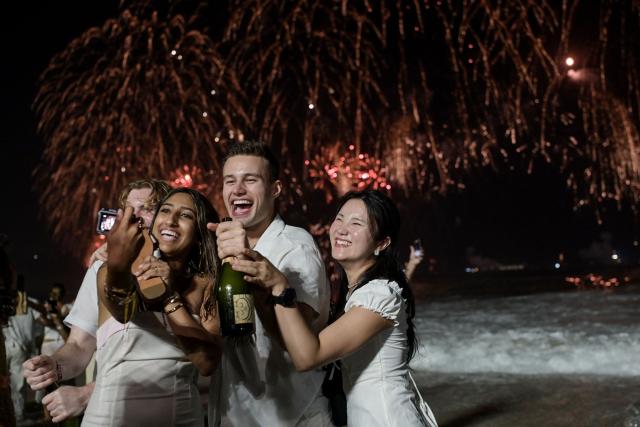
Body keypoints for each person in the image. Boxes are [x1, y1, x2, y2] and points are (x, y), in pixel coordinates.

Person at [231, 190, 438, 427]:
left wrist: (280, 286)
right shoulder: (355, 294)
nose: (341, 229)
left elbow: (309, 356)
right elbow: (298, 346)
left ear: (382, 243)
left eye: (356, 223)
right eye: (339, 218)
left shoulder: (380, 295)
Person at [23, 179, 171, 423]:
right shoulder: (99, 269)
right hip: (107, 417)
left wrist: (87, 394)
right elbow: (80, 346)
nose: (136, 217)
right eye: (129, 210)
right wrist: (54, 365)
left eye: (147, 208)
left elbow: (178, 358)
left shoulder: (181, 268)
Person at [208, 141, 332, 426]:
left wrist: (249, 266)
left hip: (291, 415)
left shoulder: (295, 246)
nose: (238, 189)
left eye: (250, 180)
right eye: (230, 181)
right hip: (238, 413)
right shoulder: (222, 246)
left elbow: (299, 343)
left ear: (275, 189)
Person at [82, 187, 222, 426]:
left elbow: (207, 362)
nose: (171, 220)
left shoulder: (207, 285)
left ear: (199, 233)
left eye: (186, 215)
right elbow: (122, 308)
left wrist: (170, 298)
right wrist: (118, 262)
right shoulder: (110, 271)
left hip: (183, 419)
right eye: (165, 210)